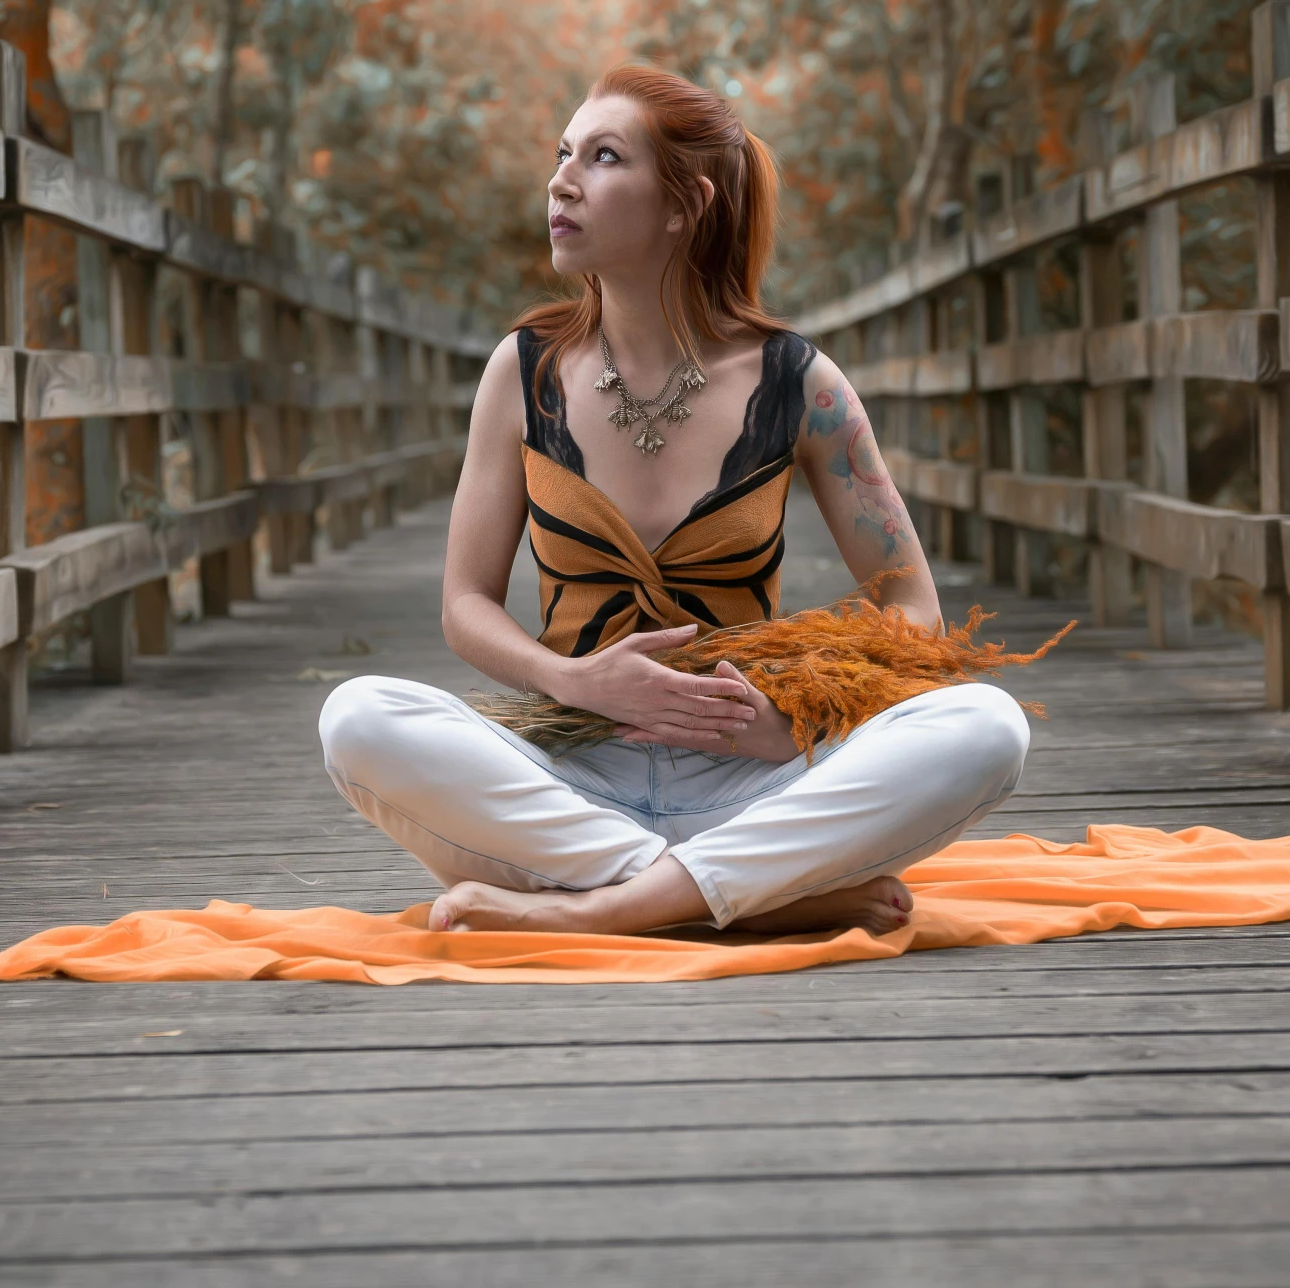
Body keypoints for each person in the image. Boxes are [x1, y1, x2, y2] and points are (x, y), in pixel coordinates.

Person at [319, 64, 1029, 938]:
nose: (561, 179)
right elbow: (465, 606)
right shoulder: (523, 370)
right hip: (571, 776)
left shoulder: (797, 382)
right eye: (563, 153)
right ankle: (746, 892)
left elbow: (910, 604)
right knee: (357, 717)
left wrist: (793, 718)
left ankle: (606, 906)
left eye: (603, 156)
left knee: (985, 726)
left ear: (682, 205)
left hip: (754, 783)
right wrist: (573, 680)